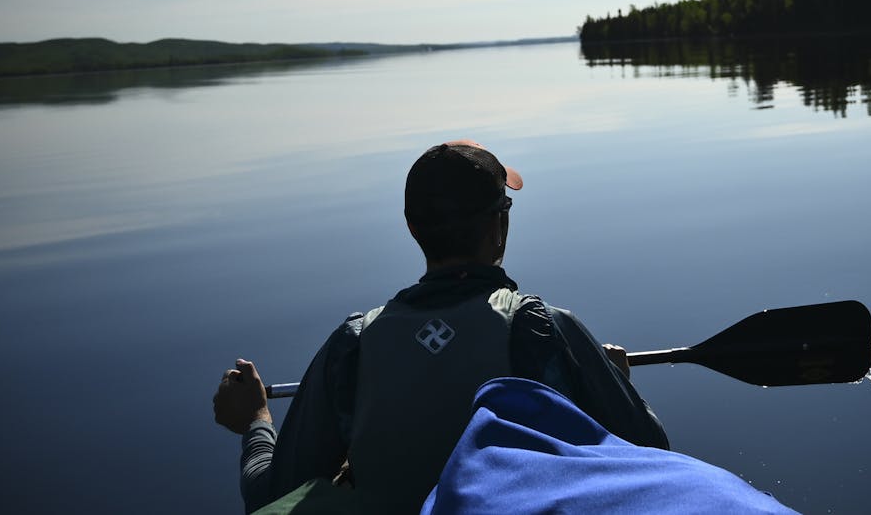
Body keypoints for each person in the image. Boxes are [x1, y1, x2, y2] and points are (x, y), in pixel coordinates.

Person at [213, 139, 668, 514]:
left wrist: (256, 419)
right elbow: (653, 451)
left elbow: (268, 497)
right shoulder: (546, 329)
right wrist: (617, 386)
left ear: (412, 228)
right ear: (499, 225)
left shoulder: (353, 343)